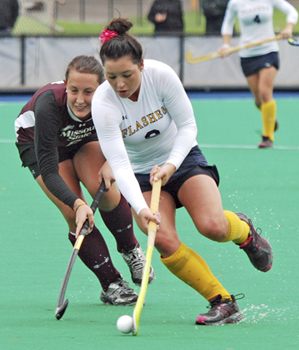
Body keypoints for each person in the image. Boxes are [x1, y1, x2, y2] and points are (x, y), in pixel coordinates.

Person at [92, 18, 274, 325]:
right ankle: (222, 301)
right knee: (160, 238)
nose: (120, 84)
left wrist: (170, 165)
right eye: (111, 77)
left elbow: (188, 126)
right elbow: (119, 162)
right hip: (140, 175)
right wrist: (139, 208)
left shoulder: (161, 76)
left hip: (183, 158)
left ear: (142, 65)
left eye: (127, 75)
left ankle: (245, 232)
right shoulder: (103, 101)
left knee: (213, 227)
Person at [14, 55, 155, 306]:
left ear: (101, 88)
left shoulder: (112, 97)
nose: (80, 99)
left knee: (108, 192)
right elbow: (50, 172)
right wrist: (78, 204)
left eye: (88, 92)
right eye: (74, 90)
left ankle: (130, 248)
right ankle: (111, 282)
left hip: (83, 138)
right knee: (73, 211)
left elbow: (128, 131)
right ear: (65, 84)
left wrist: (113, 160)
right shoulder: (48, 106)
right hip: (41, 144)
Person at [219, 0, 298, 148]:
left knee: (264, 92)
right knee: (258, 101)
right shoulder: (235, 3)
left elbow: (292, 12)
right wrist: (226, 45)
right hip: (247, 54)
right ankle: (270, 117)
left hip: (268, 51)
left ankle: (268, 137)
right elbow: (227, 24)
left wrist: (288, 27)